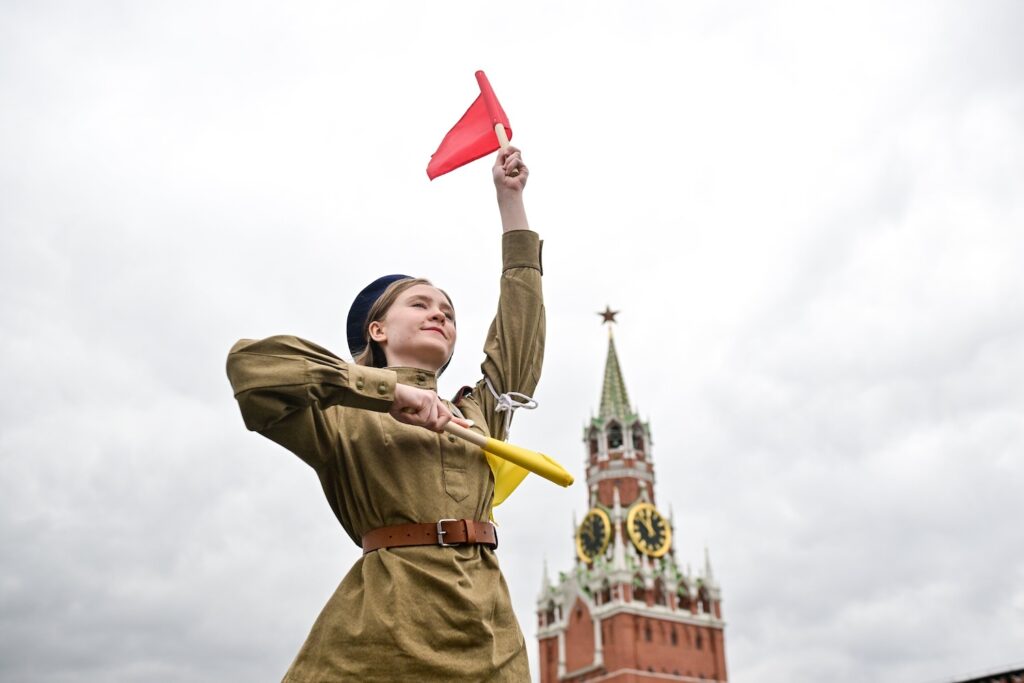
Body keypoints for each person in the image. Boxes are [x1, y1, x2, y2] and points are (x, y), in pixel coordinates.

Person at [226, 146, 542, 681]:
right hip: (384, 631)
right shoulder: (336, 413)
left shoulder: (476, 407)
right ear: (377, 329)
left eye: (448, 311)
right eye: (420, 304)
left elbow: (521, 326)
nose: (439, 313)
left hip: (492, 638)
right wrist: (386, 393)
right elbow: (251, 368)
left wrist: (510, 201)